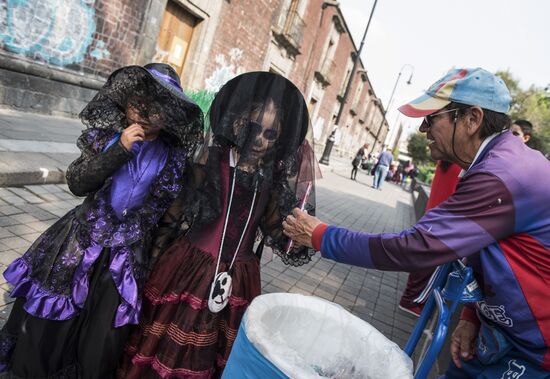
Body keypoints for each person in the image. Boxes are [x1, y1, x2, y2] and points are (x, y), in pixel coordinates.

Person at [283, 68, 550, 378]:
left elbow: (415, 247)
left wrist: (320, 235)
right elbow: (484, 250)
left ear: (472, 119)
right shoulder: (494, 163)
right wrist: (471, 316)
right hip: (497, 334)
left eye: (431, 118)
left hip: (535, 353)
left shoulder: (502, 175)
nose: (423, 129)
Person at [0, 64, 203, 378]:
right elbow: (78, 183)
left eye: (156, 107)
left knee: (101, 331)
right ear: (125, 102)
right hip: (79, 240)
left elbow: (169, 220)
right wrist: (120, 149)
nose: (145, 112)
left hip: (127, 256)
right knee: (53, 317)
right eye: (138, 102)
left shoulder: (172, 159)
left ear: (169, 114)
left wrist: (153, 263)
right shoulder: (106, 139)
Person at [119, 72, 318, 378]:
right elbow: (176, 213)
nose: (260, 140)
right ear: (239, 121)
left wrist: (296, 235)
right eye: (254, 128)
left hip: (239, 276)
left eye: (270, 134)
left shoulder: (273, 178)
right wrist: (150, 261)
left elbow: (274, 230)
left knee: (216, 353)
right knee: (168, 342)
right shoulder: (211, 159)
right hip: (190, 266)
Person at [399, 160, 462, 316]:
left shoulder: (445, 161)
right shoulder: (462, 166)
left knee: (422, 261)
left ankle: (409, 299)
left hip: (431, 215)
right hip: (444, 221)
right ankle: (412, 302)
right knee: (430, 266)